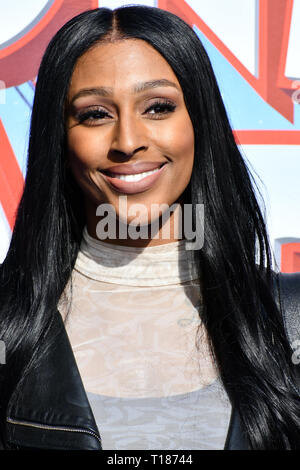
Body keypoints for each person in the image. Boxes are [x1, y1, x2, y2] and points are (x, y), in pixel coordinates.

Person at [0, 5, 299, 451]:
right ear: (59, 139)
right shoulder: (8, 325)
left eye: (158, 107)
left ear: (200, 124)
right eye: (96, 114)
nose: (127, 141)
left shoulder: (291, 322)